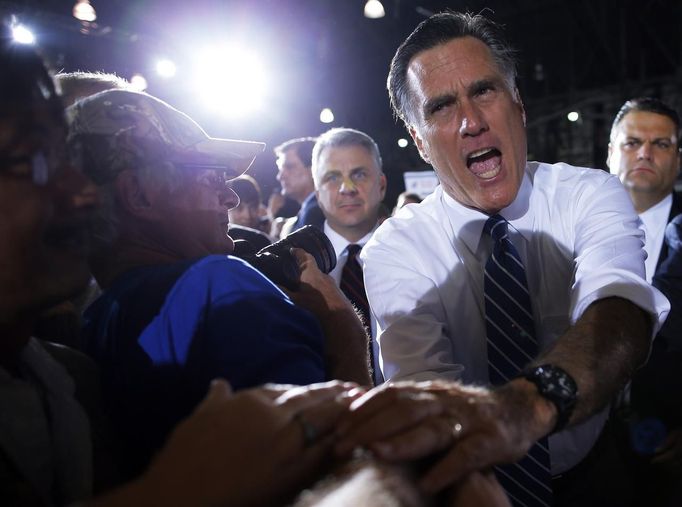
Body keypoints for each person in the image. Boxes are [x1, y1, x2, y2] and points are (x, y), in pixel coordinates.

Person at [342, 11, 669, 507]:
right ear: (420, 142)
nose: (472, 121)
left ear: (517, 102)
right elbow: (428, 397)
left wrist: (526, 406)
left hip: (600, 476)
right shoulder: (395, 248)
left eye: (485, 91)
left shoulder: (589, 194)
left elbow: (621, 309)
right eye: (443, 107)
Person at [69, 89, 370, 476]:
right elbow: (338, 466)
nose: (229, 196)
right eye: (211, 177)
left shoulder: (94, 318)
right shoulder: (219, 287)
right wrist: (345, 338)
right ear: (139, 195)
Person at [607, 97, 682, 505]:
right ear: (610, 153)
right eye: (632, 142)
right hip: (584, 453)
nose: (645, 153)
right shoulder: (562, 234)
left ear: (678, 158)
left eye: (662, 144)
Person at [312, 127, 387, 384]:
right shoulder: (291, 269)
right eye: (332, 177)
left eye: (359, 174)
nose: (347, 188)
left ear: (382, 185)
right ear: (317, 192)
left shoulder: (420, 256)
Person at [275, 136, 325, 237]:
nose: (280, 177)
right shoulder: (312, 209)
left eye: (289, 167)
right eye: (281, 169)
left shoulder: (314, 212)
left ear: (313, 169)